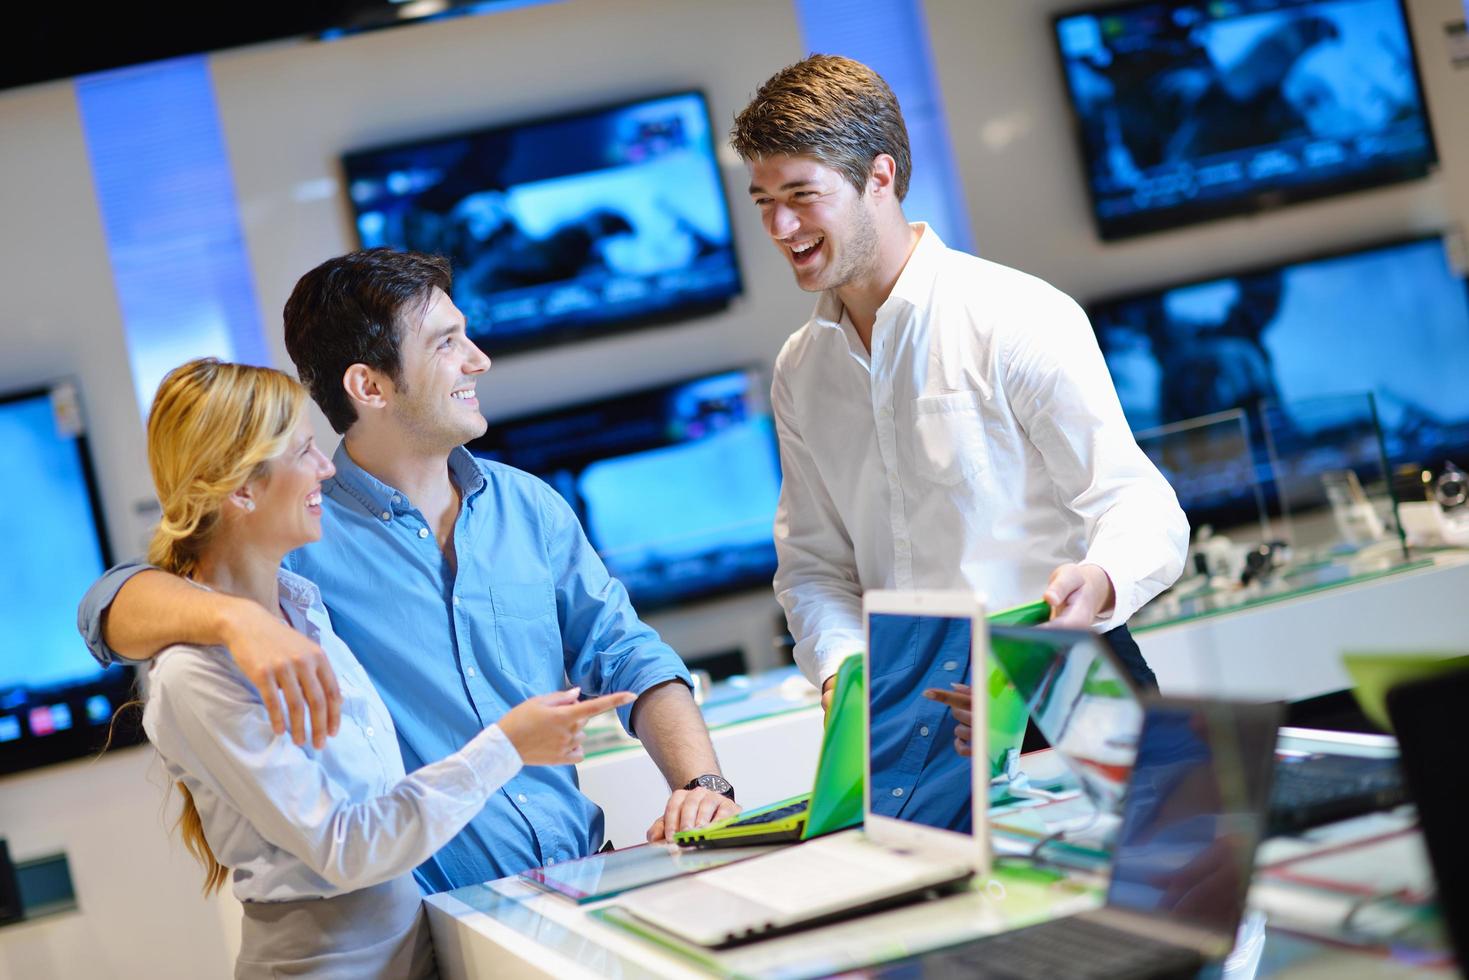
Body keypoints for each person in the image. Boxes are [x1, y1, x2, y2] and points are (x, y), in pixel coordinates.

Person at [79, 250, 738, 892]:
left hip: (585, 876)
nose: (478, 359)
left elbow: (627, 653)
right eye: (447, 342)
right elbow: (108, 610)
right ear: (369, 386)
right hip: (444, 921)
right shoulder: (296, 537)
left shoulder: (527, 506)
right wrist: (238, 621)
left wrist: (700, 785)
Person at [729, 56, 1188, 750]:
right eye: (764, 201)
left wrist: (1098, 579)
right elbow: (814, 565)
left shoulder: (1016, 315)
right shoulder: (800, 369)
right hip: (910, 712)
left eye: (801, 194)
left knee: (1148, 861)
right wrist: (843, 676)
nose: (780, 226)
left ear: (878, 177)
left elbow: (1134, 503)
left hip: (1055, 675)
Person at [137, 358, 633, 977]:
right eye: (303, 452)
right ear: (241, 489)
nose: (325, 467)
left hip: (417, 948)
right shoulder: (196, 675)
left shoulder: (305, 608)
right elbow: (344, 848)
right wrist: (507, 746)